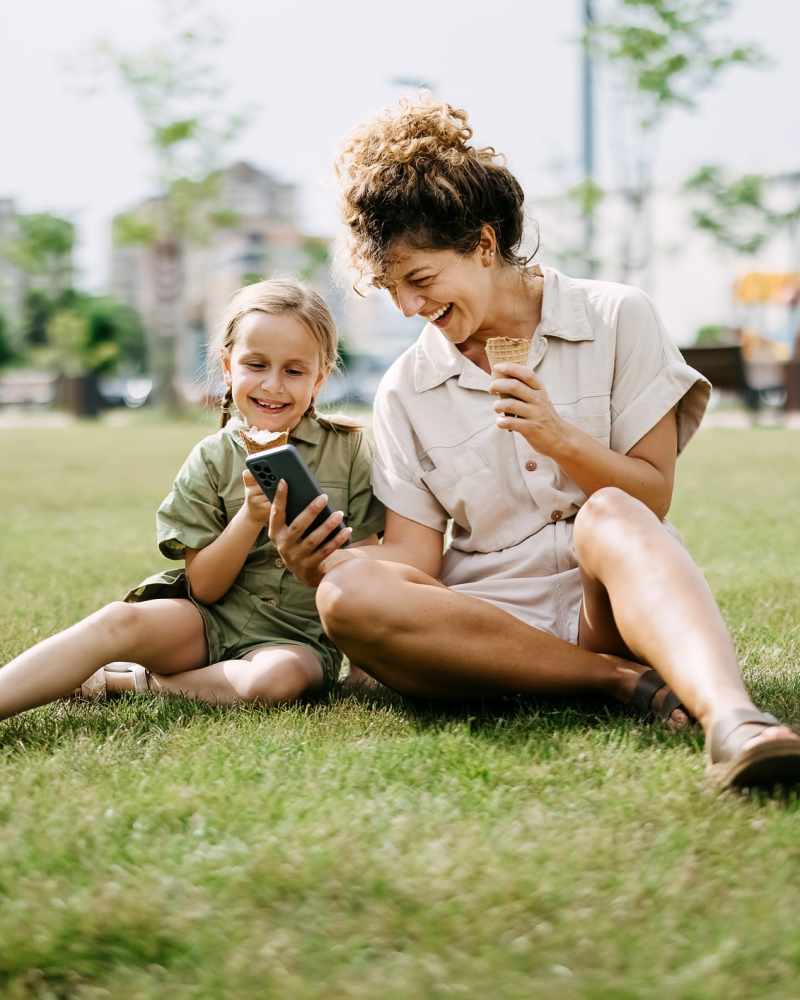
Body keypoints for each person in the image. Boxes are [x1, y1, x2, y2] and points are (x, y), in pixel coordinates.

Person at [277, 99, 800, 791]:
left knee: (609, 511)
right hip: (490, 633)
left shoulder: (616, 317)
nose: (408, 308)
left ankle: (736, 722)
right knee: (346, 593)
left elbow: (651, 495)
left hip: (610, 605)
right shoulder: (406, 387)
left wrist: (559, 438)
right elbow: (415, 561)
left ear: (485, 245)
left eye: (420, 279)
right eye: (390, 289)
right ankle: (616, 683)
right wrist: (324, 566)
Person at [0, 278, 384, 718]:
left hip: (295, 642)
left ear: (319, 378)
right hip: (209, 623)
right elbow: (204, 587)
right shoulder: (212, 457)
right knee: (116, 621)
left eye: (294, 371)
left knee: (273, 681)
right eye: (256, 365)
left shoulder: (350, 451)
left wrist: (365, 666)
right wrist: (250, 518)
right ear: (227, 367)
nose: (273, 386)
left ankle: (134, 682)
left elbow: (367, 575)